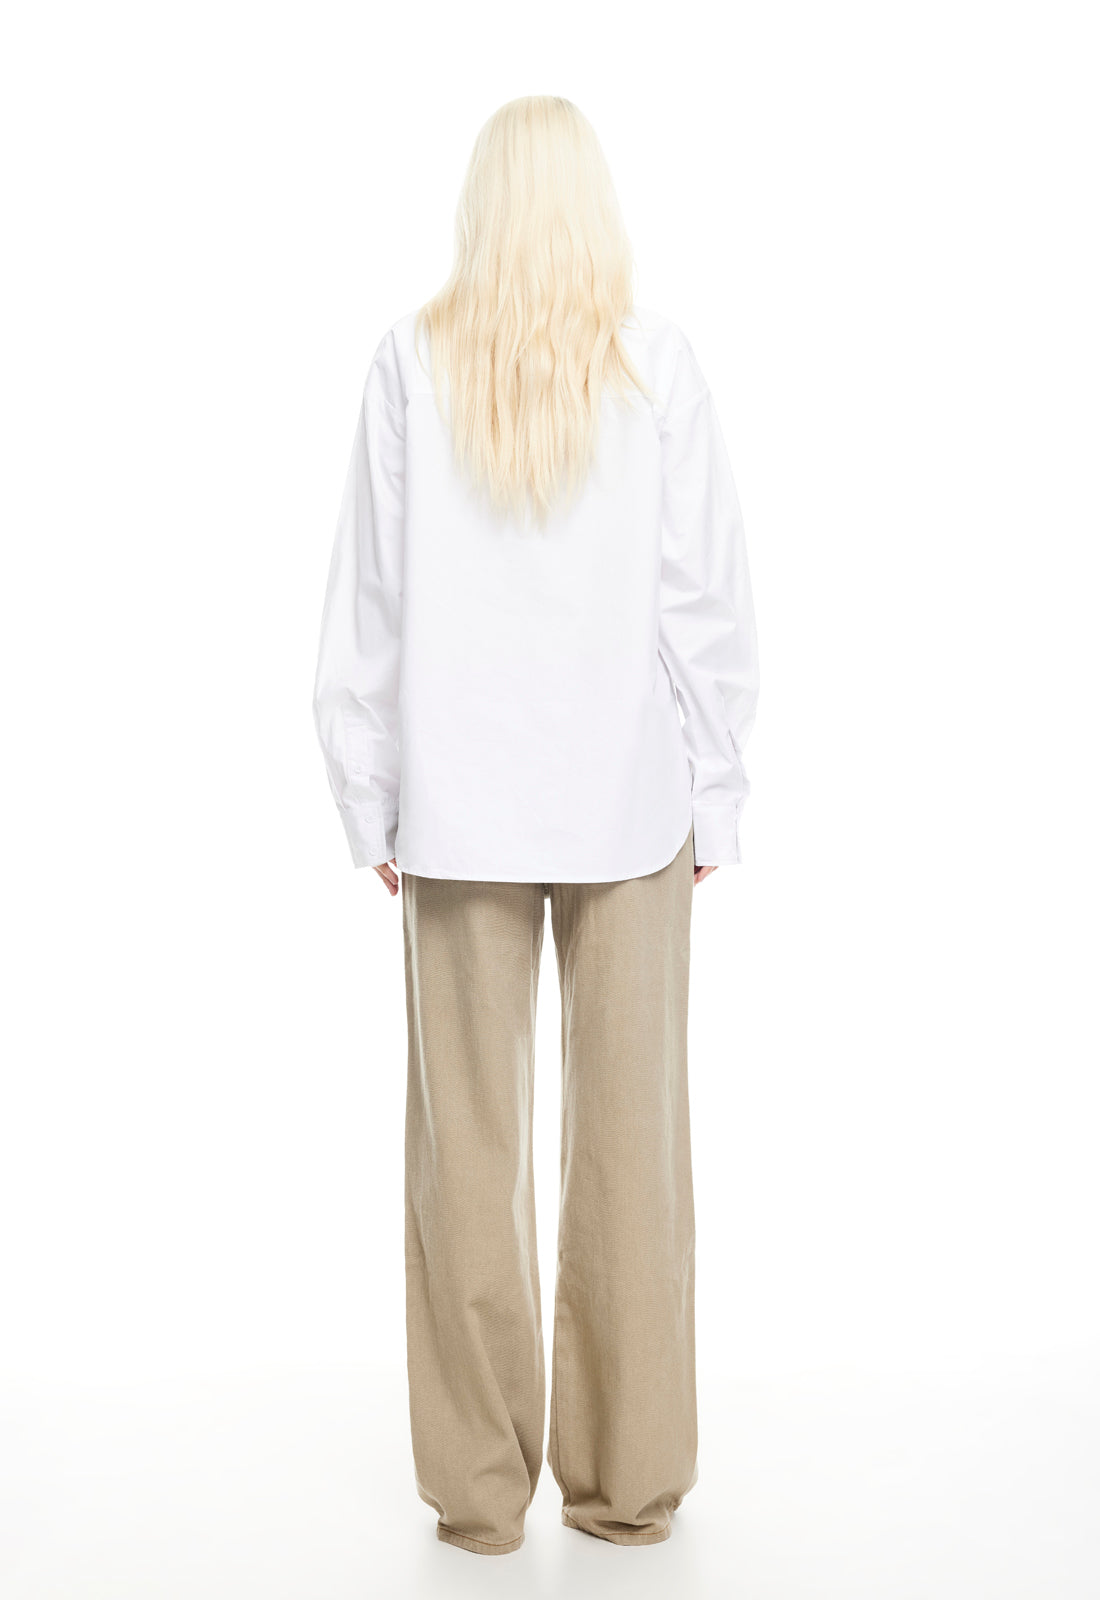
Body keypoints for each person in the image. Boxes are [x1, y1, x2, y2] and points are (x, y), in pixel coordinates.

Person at [312, 94, 759, 1557]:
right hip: (630, 806)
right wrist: (716, 786)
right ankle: (628, 1486)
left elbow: (368, 605)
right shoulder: (654, 363)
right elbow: (704, 599)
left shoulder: (412, 361)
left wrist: (369, 790)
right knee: (635, 1158)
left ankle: (479, 1493)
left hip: (456, 813)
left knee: (465, 1158)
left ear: (481, 205)